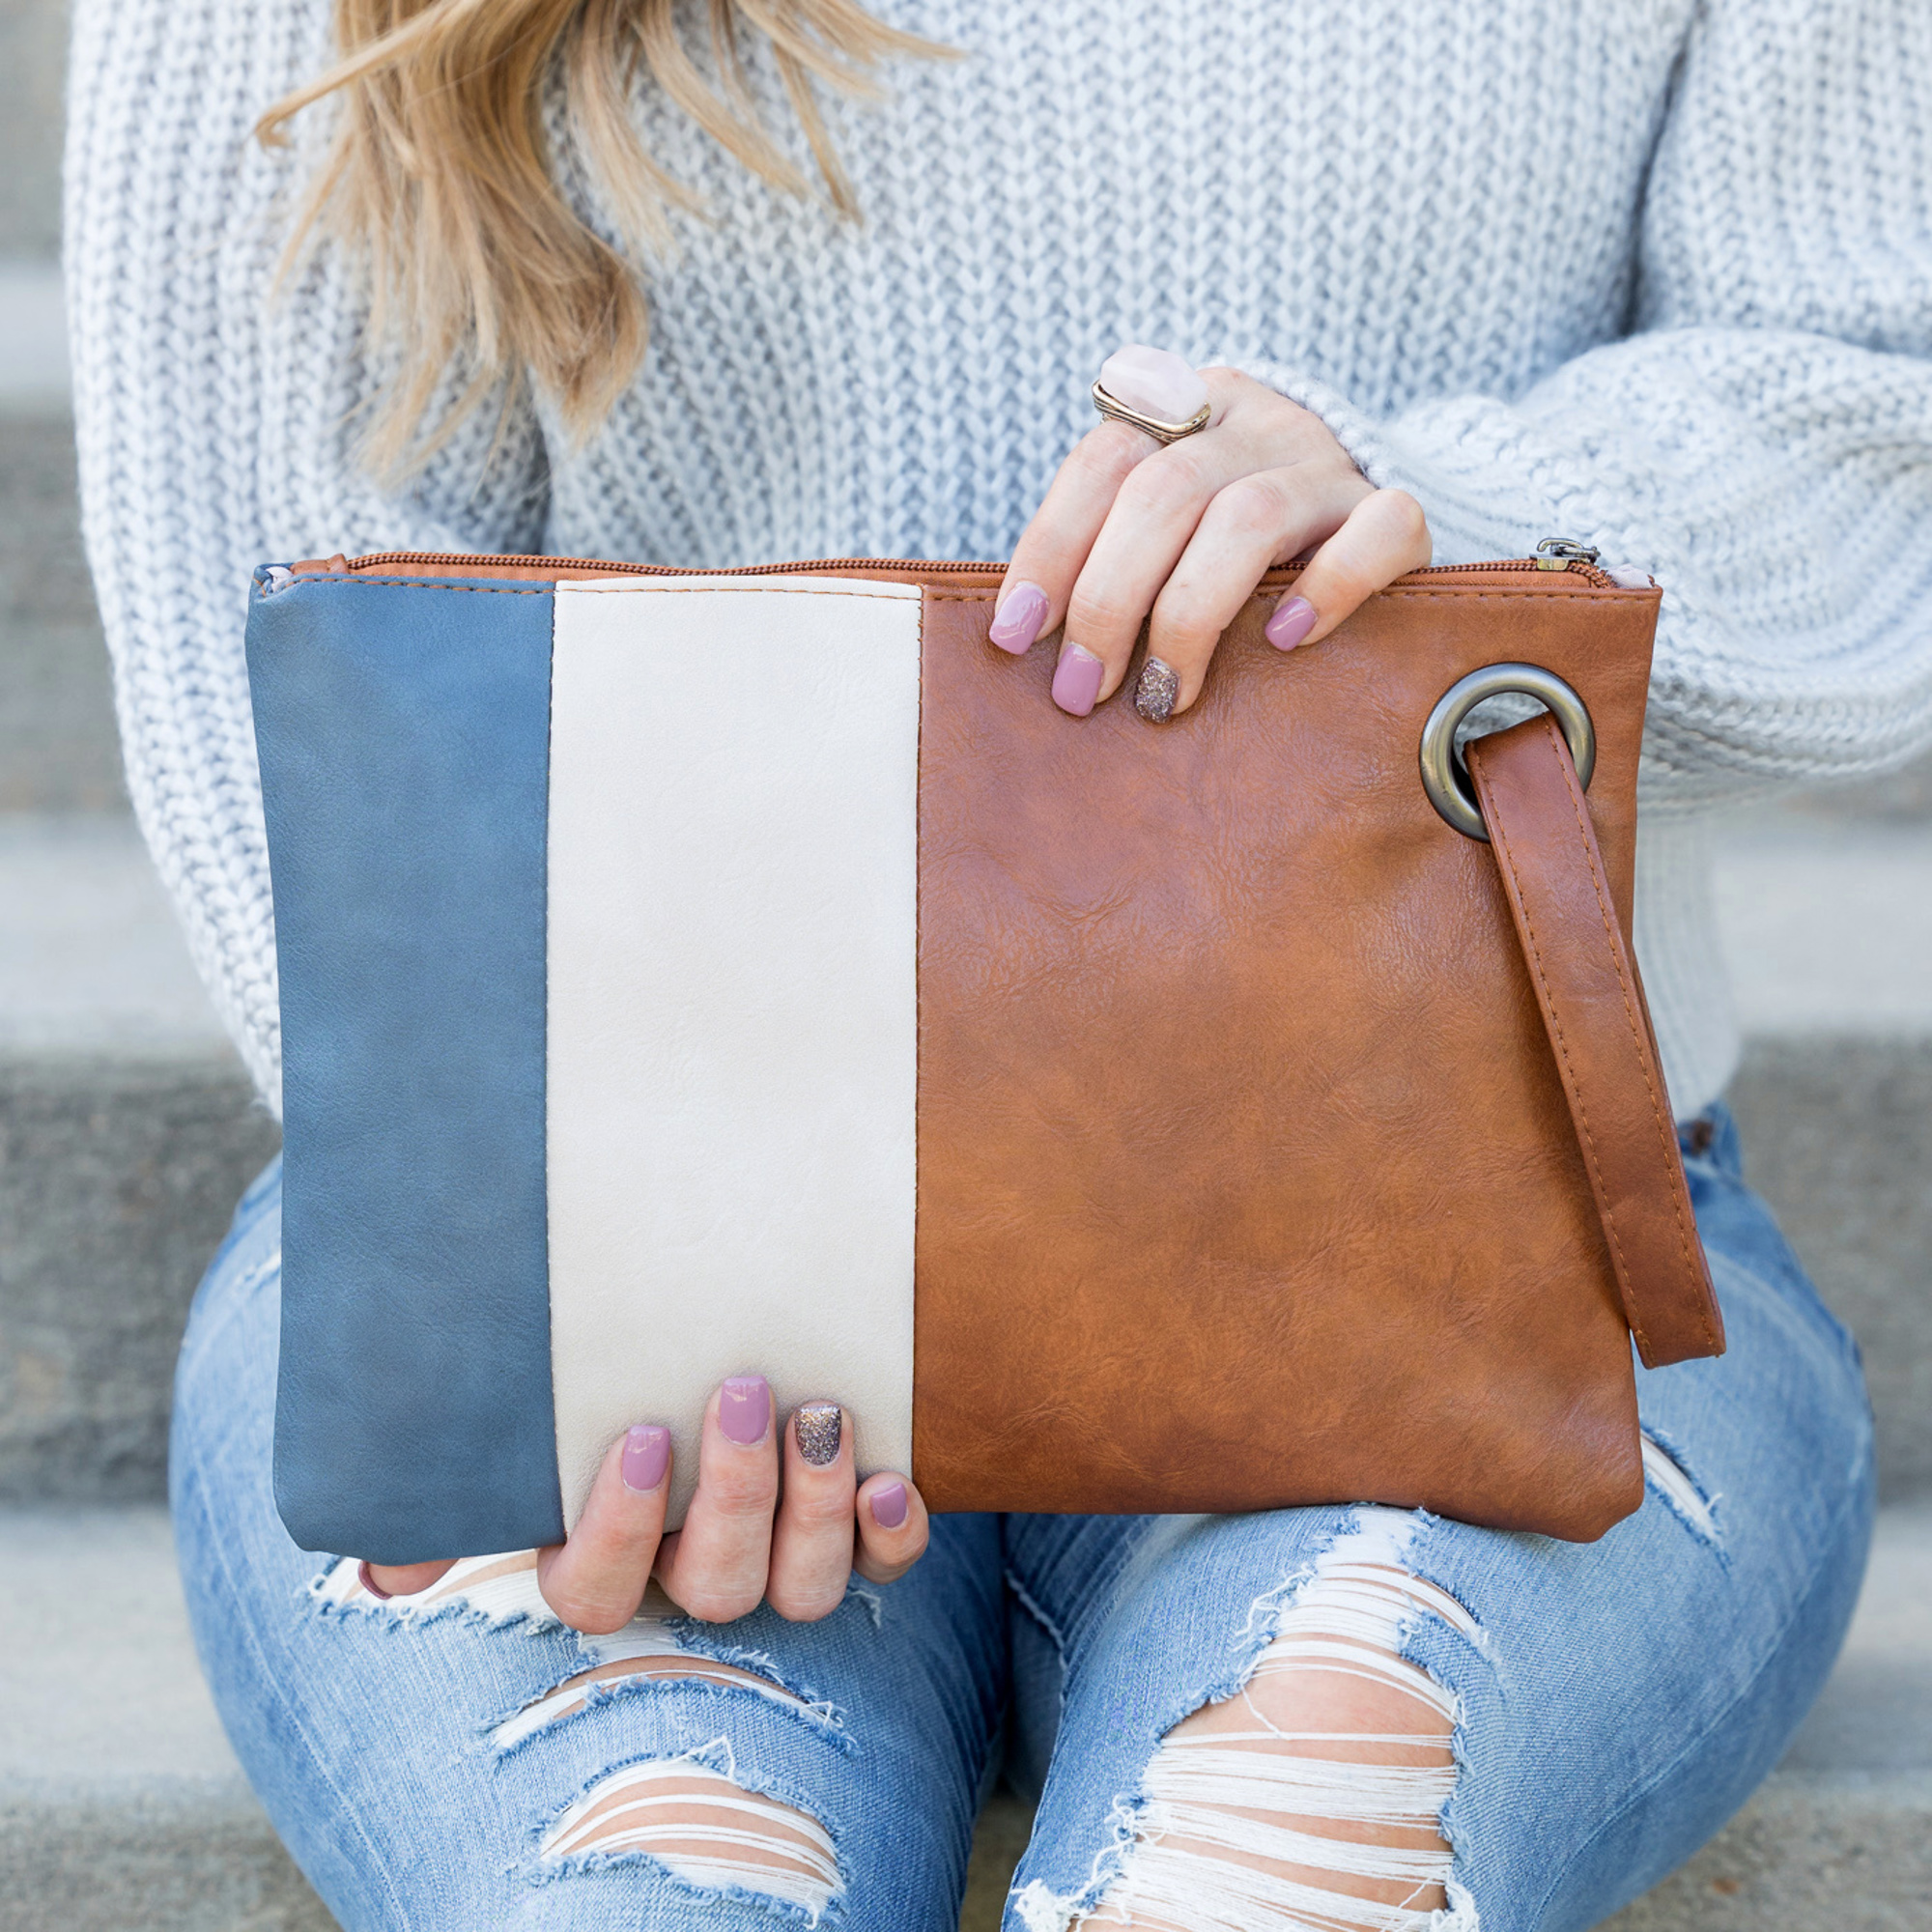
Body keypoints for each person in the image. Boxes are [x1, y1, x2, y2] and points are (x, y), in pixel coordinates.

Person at [64, 0, 1930, 1926]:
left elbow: (1879, 406)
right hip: (582, 1257)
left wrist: (1423, 542)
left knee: (1271, 1883)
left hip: (1464, 1247)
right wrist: (540, 1257)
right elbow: (283, 611)